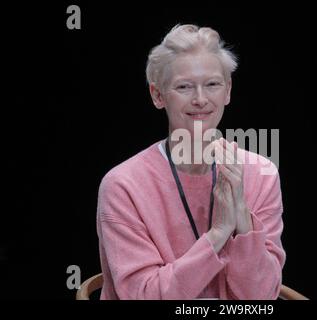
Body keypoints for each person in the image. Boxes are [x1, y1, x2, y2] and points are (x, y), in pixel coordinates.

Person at [96, 24, 286, 299]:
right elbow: (145, 295)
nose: (200, 99)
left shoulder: (262, 174)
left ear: (228, 91)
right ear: (157, 95)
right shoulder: (123, 185)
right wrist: (219, 232)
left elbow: (261, 297)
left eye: (212, 84)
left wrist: (243, 221)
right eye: (184, 87)